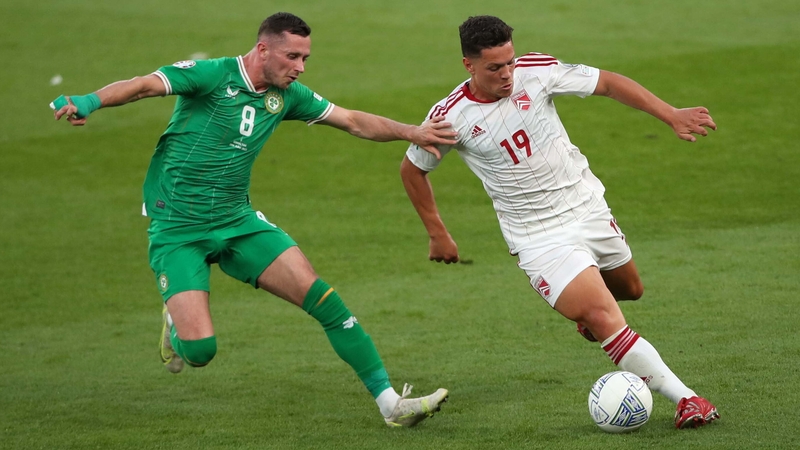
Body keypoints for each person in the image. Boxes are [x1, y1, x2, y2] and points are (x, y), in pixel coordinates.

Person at [51, 12, 454, 428]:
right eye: (292, 56)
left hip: (238, 221)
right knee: (201, 352)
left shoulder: (288, 95)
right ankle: (175, 322)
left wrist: (412, 132)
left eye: (306, 59)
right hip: (178, 229)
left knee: (323, 299)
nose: (300, 67)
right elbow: (142, 86)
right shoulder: (211, 75)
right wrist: (90, 101)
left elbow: (351, 120)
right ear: (263, 49)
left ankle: (390, 404)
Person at [400, 15, 719, 429]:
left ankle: (590, 315)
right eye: (495, 68)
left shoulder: (537, 72)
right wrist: (437, 232)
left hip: (586, 207)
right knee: (607, 319)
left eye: (510, 62)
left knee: (630, 290)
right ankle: (688, 399)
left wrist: (670, 113)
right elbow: (412, 169)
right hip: (538, 237)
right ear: (469, 65)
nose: (507, 75)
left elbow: (607, 82)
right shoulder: (451, 116)